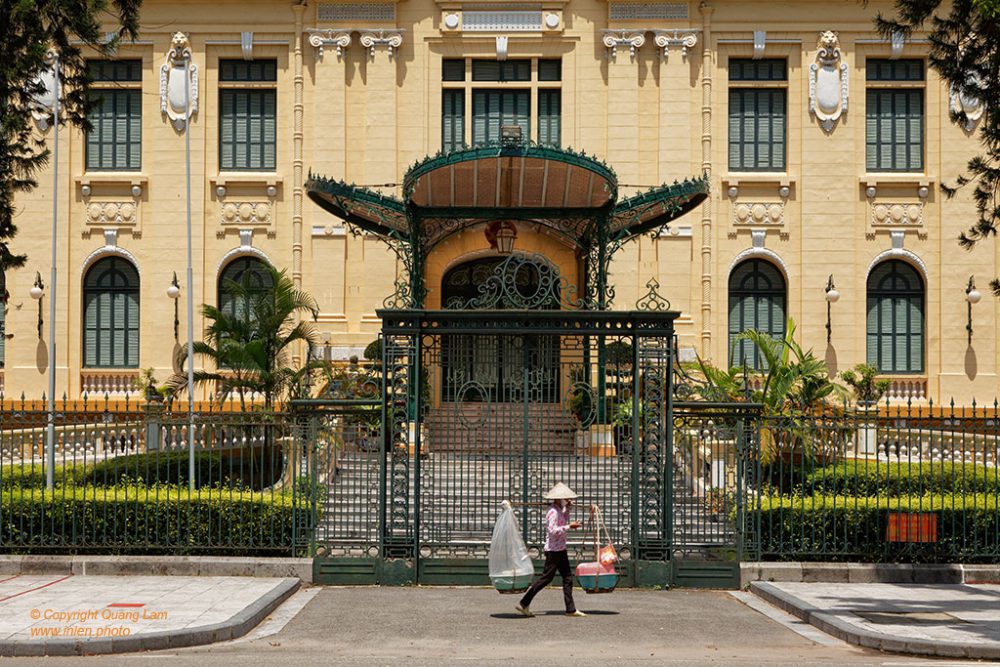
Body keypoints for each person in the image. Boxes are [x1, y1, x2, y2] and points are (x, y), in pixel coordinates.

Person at [515, 482, 592, 618]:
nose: (568, 500)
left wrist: (567, 510)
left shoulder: (559, 510)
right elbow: (553, 530)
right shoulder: (553, 512)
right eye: (566, 498)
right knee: (546, 578)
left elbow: (563, 520)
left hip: (560, 549)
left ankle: (570, 609)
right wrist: (570, 527)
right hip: (553, 550)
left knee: (567, 578)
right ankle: (524, 603)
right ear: (559, 498)